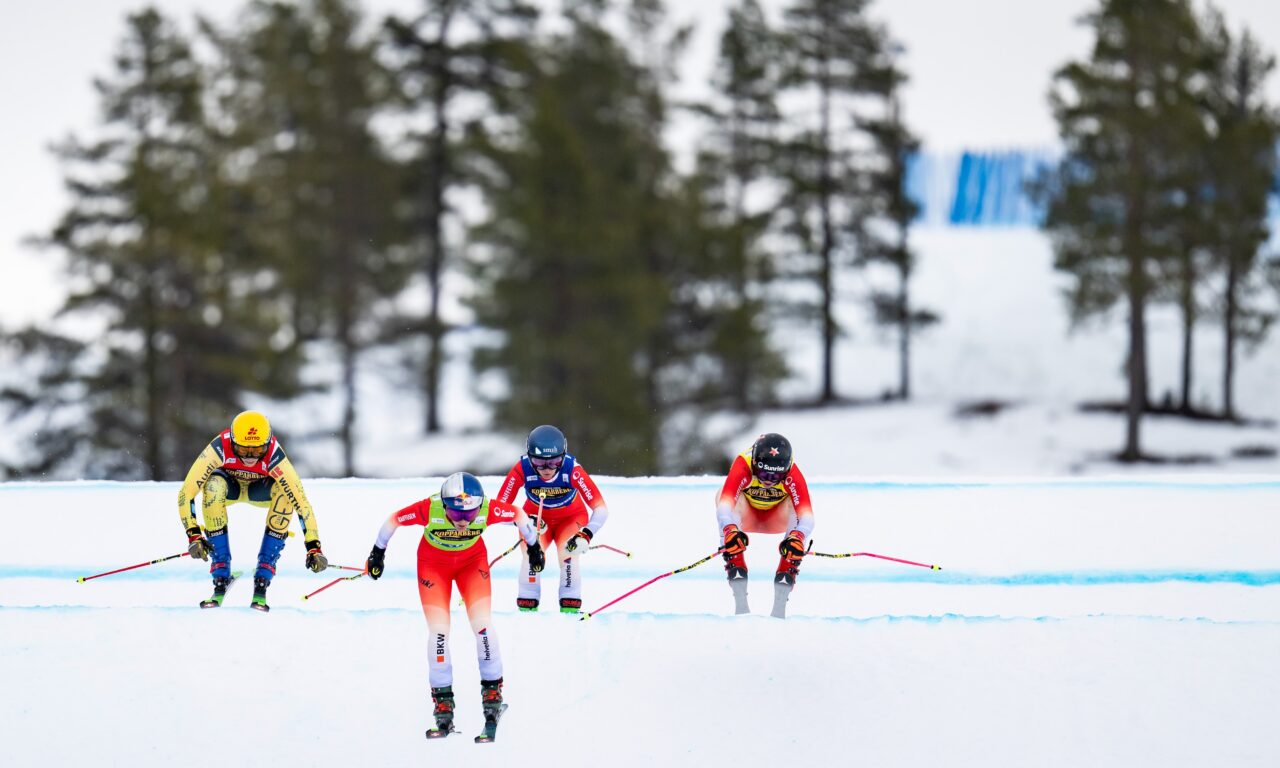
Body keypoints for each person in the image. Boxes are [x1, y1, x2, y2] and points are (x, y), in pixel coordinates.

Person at [365, 471, 541, 740]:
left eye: (469, 515)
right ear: (444, 504)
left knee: (482, 626)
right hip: (433, 566)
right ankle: (443, 705)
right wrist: (377, 553)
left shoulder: (487, 508)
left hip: (472, 564)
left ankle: (492, 695)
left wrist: (534, 547)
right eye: (456, 514)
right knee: (438, 631)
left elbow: (518, 514)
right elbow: (393, 521)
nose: (462, 521)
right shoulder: (429, 508)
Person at [177, 410, 328, 611]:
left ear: (267, 443)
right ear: (232, 442)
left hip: (261, 490)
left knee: (286, 496)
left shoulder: (275, 454)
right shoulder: (220, 446)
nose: (249, 456)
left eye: (257, 451)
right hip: (229, 487)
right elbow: (186, 493)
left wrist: (313, 547)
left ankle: (264, 574)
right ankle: (221, 570)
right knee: (212, 487)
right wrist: (194, 536)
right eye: (242, 449)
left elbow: (302, 503)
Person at [493, 424, 610, 614]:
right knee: (532, 555)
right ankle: (527, 609)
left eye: (554, 462)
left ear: (563, 456)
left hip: (570, 518)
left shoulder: (573, 469)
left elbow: (601, 509)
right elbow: (497, 511)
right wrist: (523, 520)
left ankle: (570, 608)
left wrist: (587, 533)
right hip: (537, 520)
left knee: (568, 554)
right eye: (539, 463)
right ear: (529, 458)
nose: (547, 469)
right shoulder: (521, 469)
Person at [714, 432, 814, 619]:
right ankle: (735, 564)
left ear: (786, 469)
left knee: (798, 506)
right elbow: (725, 505)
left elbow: (808, 517)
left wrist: (798, 537)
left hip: (776, 519)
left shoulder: (792, 472)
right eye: (762, 474)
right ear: (754, 464)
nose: (768, 480)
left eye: (776, 477)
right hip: (747, 516)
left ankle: (787, 572)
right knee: (722, 495)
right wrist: (729, 529)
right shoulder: (743, 463)